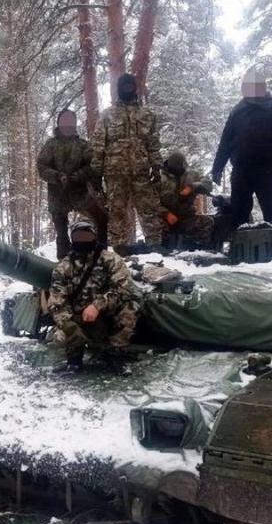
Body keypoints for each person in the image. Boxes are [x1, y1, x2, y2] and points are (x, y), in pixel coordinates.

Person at [210, 68, 272, 229]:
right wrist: (217, 167)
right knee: (238, 213)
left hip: (268, 168)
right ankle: (238, 249)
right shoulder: (237, 111)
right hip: (241, 170)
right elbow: (226, 142)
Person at [47, 220, 138, 369]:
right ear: (72, 239)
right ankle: (74, 358)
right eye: (78, 237)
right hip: (78, 316)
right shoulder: (63, 267)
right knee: (60, 337)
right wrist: (69, 325)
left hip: (107, 313)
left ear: (94, 237)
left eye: (86, 236)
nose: (82, 240)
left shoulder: (110, 259)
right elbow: (57, 302)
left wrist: (97, 306)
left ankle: (114, 354)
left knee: (130, 307)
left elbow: (124, 289)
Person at [91, 73, 164, 249]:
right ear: (119, 89)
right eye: (124, 87)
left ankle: (155, 248)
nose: (128, 89)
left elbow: (153, 143)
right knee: (117, 213)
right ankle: (119, 250)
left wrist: (156, 166)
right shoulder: (107, 115)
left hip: (141, 172)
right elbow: (98, 145)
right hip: (115, 174)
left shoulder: (147, 114)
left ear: (135, 88)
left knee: (149, 211)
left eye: (130, 86)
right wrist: (95, 173)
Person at [37, 109, 108, 259]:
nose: (67, 125)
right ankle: (64, 262)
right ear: (59, 124)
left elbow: (93, 166)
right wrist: (57, 176)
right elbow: (42, 167)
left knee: (102, 218)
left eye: (70, 122)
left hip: (80, 192)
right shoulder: (51, 145)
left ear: (75, 124)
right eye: (64, 122)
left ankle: (101, 255)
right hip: (58, 194)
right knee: (61, 232)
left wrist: (78, 176)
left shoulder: (82, 145)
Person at [158, 151, 215, 248]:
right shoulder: (159, 179)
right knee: (153, 221)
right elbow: (150, 202)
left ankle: (201, 247)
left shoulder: (192, 174)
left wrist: (192, 187)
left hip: (189, 214)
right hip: (167, 217)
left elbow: (208, 184)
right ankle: (160, 248)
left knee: (205, 200)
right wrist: (166, 213)